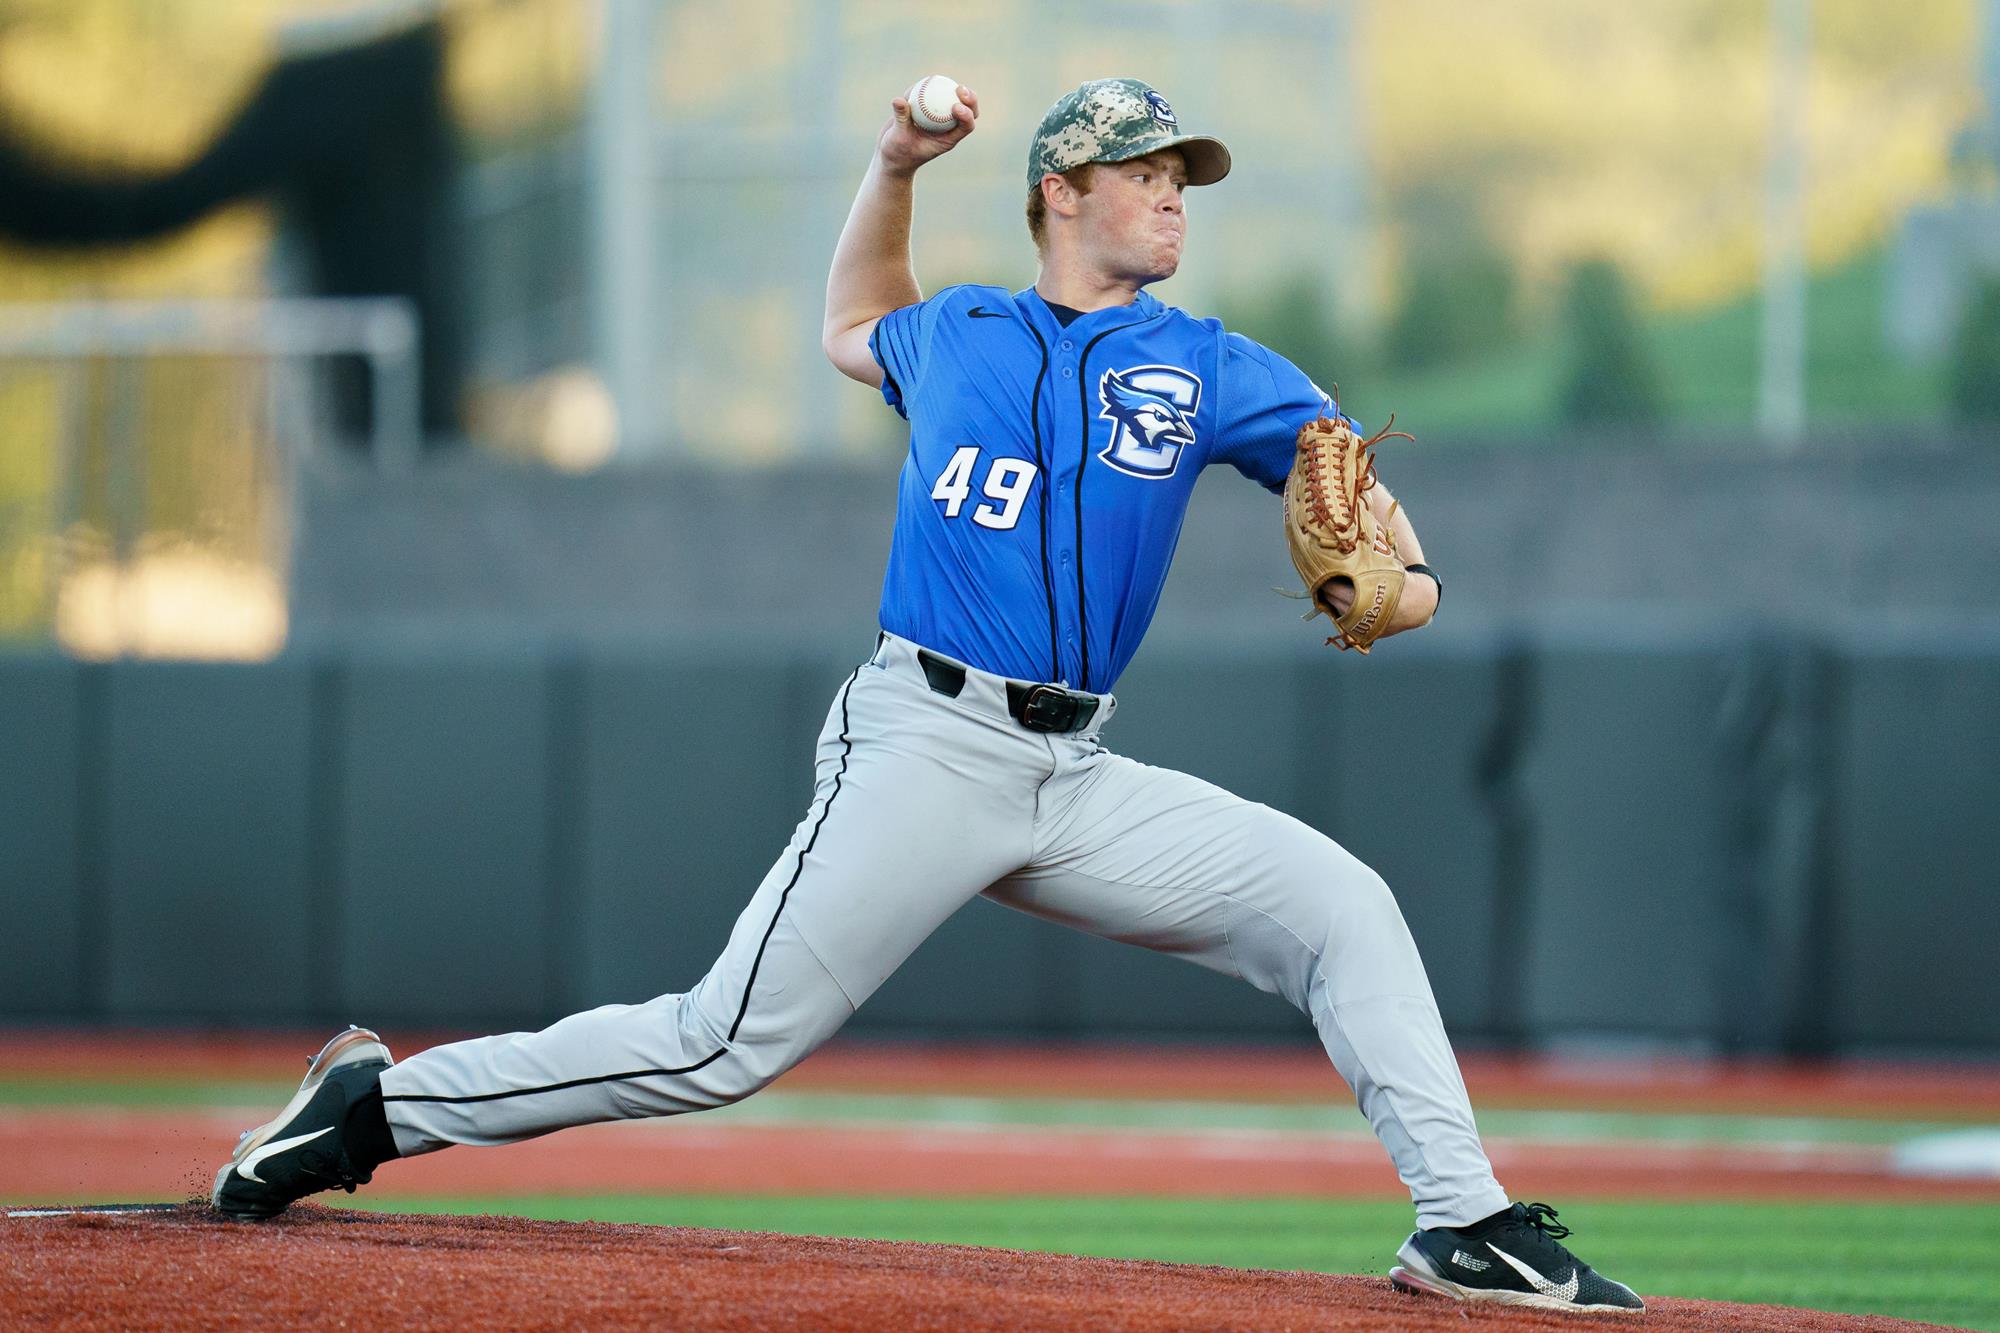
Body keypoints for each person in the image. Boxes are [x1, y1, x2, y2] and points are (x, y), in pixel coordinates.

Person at [212, 78, 1642, 1316]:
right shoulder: (957, 330)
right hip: (927, 741)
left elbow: (1346, 476)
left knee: (1342, 906)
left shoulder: (1209, 364)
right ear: (1060, 191)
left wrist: (1412, 579)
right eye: (1144, 172)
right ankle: (373, 1111)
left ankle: (1462, 1219)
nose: (1173, 197)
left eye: (1182, 177)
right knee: (723, 1043)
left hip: (1075, 774)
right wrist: (895, 164)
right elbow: (852, 318)